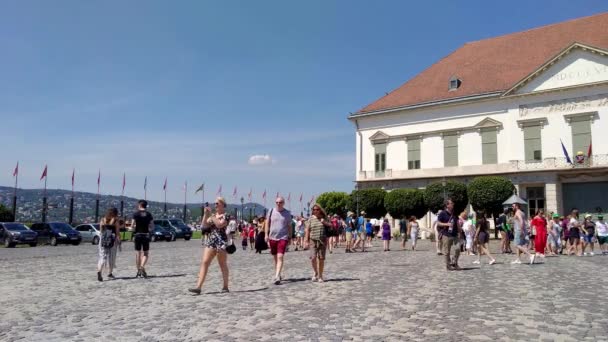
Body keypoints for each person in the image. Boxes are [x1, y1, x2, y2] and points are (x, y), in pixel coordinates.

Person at [189, 197, 230, 295]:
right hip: (211, 241)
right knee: (205, 262)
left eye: (217, 203)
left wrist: (212, 217)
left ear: (223, 204)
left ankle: (225, 286)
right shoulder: (213, 216)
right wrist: (206, 214)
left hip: (221, 242)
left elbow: (220, 224)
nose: (215, 205)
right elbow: (203, 226)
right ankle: (198, 286)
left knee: (222, 264)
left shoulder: (226, 215)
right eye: (215, 203)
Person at [264, 197, 292, 285]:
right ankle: (278, 273)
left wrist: (290, 237)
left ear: (283, 203)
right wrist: (266, 234)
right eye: (277, 202)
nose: (278, 204)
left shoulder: (287, 213)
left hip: (283, 237)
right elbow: (267, 223)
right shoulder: (271, 211)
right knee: (275, 257)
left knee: (280, 256)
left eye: (280, 202)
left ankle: (277, 276)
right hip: (272, 237)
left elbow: (289, 226)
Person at [305, 204, 331, 282]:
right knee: (313, 258)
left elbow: (331, 225)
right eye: (314, 210)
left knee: (321, 258)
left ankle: (320, 275)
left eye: (317, 209)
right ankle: (316, 272)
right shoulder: (310, 219)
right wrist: (306, 240)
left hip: (322, 240)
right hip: (313, 240)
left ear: (320, 210)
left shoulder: (324, 218)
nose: (315, 211)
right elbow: (307, 230)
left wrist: (324, 222)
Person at [437, 199, 461, 271]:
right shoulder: (442, 213)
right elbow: (438, 223)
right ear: (447, 205)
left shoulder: (454, 213)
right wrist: (446, 224)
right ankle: (448, 265)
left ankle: (454, 262)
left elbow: (457, 222)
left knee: (458, 248)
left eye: (453, 203)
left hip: (455, 234)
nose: (453, 204)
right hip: (446, 234)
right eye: (451, 203)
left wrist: (460, 230)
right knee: (447, 251)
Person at [97, 207, 120, 281]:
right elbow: (117, 232)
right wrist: (119, 240)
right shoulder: (116, 221)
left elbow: (101, 231)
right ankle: (110, 273)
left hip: (103, 240)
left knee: (102, 257)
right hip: (112, 240)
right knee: (112, 257)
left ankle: (99, 271)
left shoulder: (102, 220)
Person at [132, 200, 154, 278]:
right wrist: (149, 229)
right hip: (145, 235)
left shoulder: (136, 214)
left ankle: (138, 270)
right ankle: (142, 266)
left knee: (138, 253)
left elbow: (132, 225)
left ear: (140, 205)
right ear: (145, 206)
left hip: (138, 234)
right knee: (146, 253)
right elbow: (152, 225)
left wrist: (134, 228)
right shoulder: (149, 214)